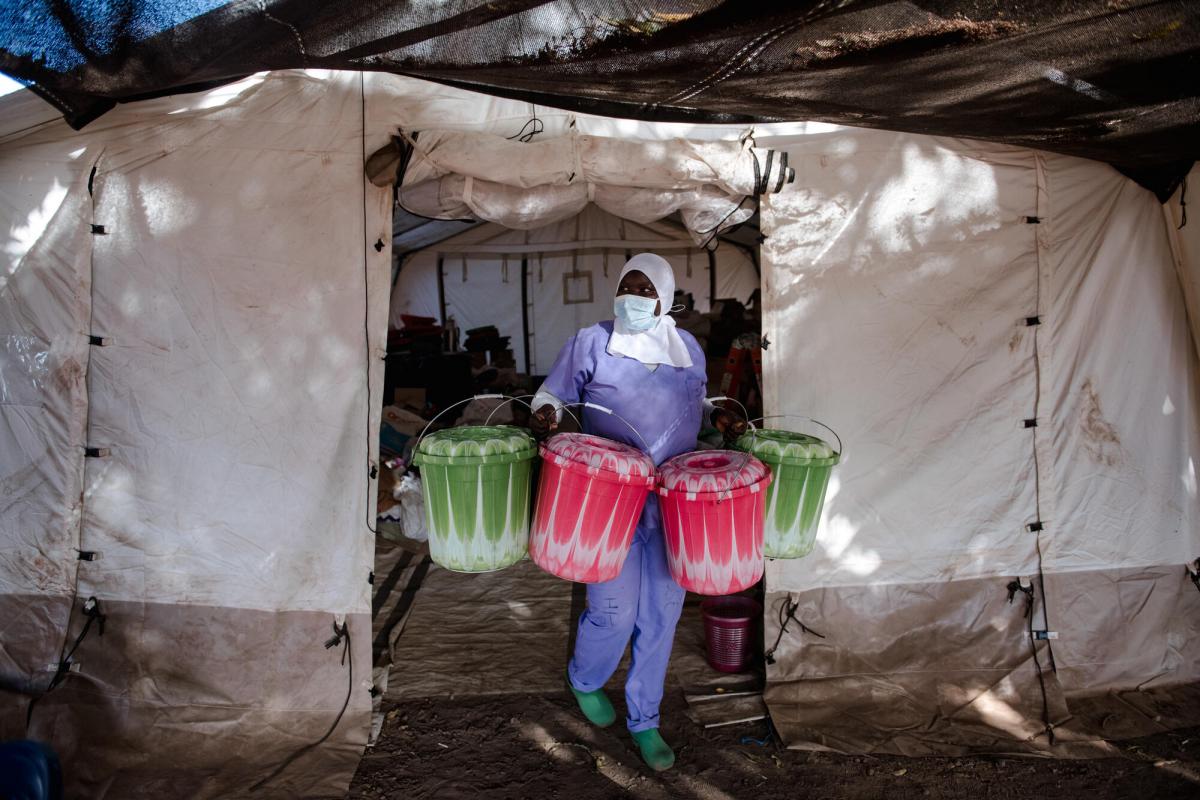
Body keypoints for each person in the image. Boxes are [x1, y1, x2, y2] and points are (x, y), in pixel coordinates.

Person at [530, 253, 745, 771]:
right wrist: (546, 414)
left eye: (646, 290)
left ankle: (645, 719)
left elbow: (699, 399)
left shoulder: (685, 347)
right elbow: (552, 395)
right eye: (627, 287)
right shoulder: (592, 341)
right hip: (608, 499)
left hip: (674, 501)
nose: (634, 298)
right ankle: (586, 679)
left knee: (661, 615)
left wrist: (719, 414)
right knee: (614, 610)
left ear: (665, 298)